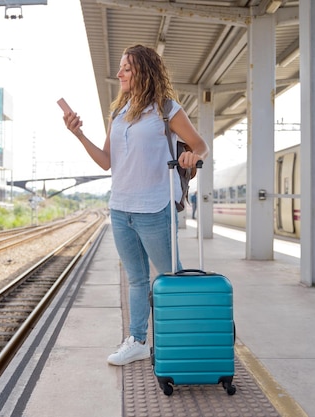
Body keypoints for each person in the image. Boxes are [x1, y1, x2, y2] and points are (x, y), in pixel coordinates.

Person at [62, 44, 209, 366]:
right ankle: (138, 341)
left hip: (155, 207)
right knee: (137, 279)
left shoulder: (167, 110)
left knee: (171, 276)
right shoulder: (118, 113)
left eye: (126, 68)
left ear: (144, 71)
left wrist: (191, 155)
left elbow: (200, 145)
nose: (119, 74)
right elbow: (105, 162)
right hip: (120, 208)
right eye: (120, 68)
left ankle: (187, 338)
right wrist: (78, 135)